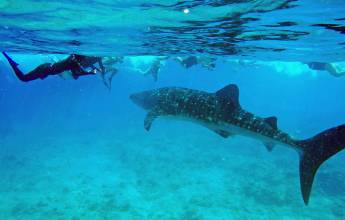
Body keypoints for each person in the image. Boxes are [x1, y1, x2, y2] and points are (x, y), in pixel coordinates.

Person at [2, 52, 105, 82]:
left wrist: (89, 72)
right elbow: (76, 74)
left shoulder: (73, 58)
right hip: (45, 69)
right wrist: (90, 73)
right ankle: (10, 61)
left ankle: (11, 62)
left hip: (46, 69)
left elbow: (77, 73)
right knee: (23, 78)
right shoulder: (74, 62)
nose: (85, 60)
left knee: (25, 78)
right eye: (84, 58)